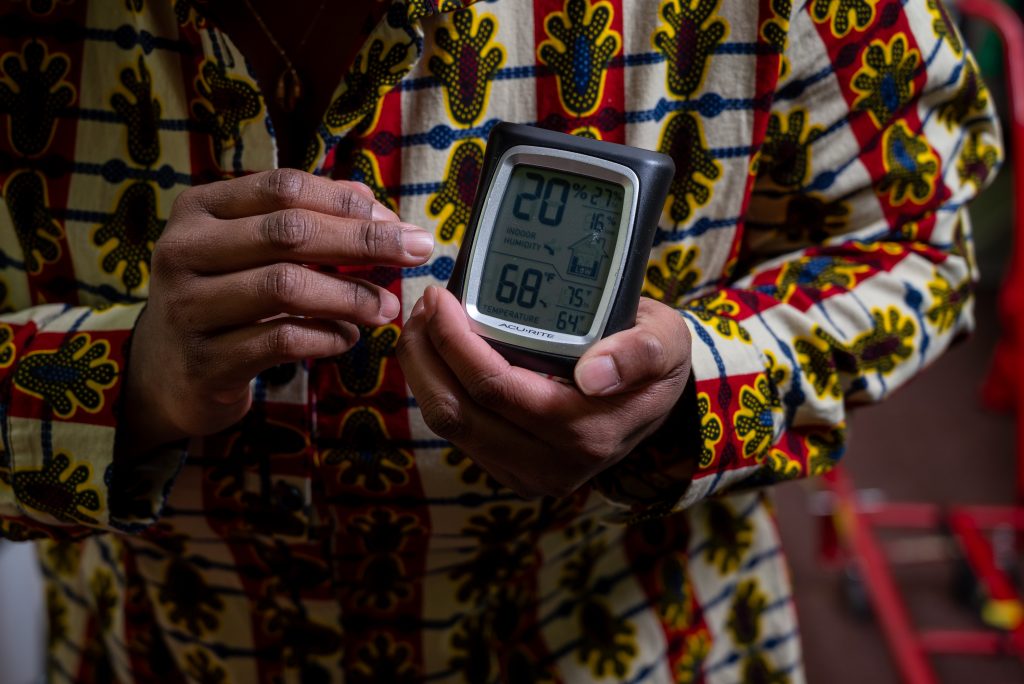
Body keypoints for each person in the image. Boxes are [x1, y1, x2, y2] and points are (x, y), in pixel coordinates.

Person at [0, 0, 1001, 681]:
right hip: (147, 651)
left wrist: (696, 388)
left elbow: (923, 233)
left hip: (633, 645)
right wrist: (116, 386)